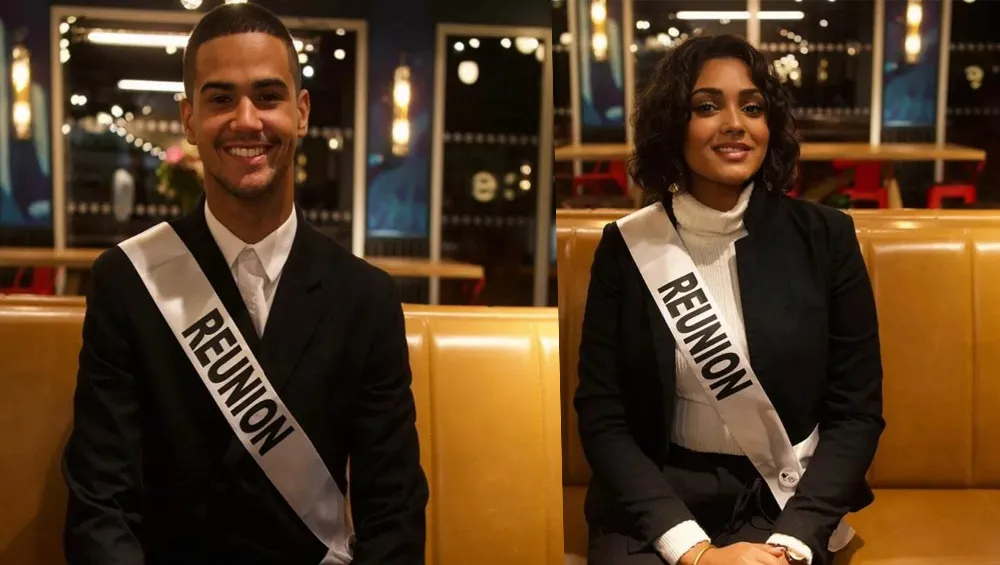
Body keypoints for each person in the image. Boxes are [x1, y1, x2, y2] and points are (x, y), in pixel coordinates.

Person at [61, 4, 428, 564]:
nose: (247, 120)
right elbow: (99, 507)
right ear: (188, 119)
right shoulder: (128, 283)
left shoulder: (366, 299)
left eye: (268, 96)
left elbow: (393, 516)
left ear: (301, 112)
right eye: (221, 99)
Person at [574, 35, 884, 565]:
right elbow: (603, 416)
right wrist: (693, 551)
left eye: (753, 107)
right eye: (707, 107)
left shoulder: (826, 238)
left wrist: (795, 538)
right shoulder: (627, 247)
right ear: (673, 125)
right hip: (659, 505)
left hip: (782, 498)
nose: (735, 123)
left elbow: (856, 413)